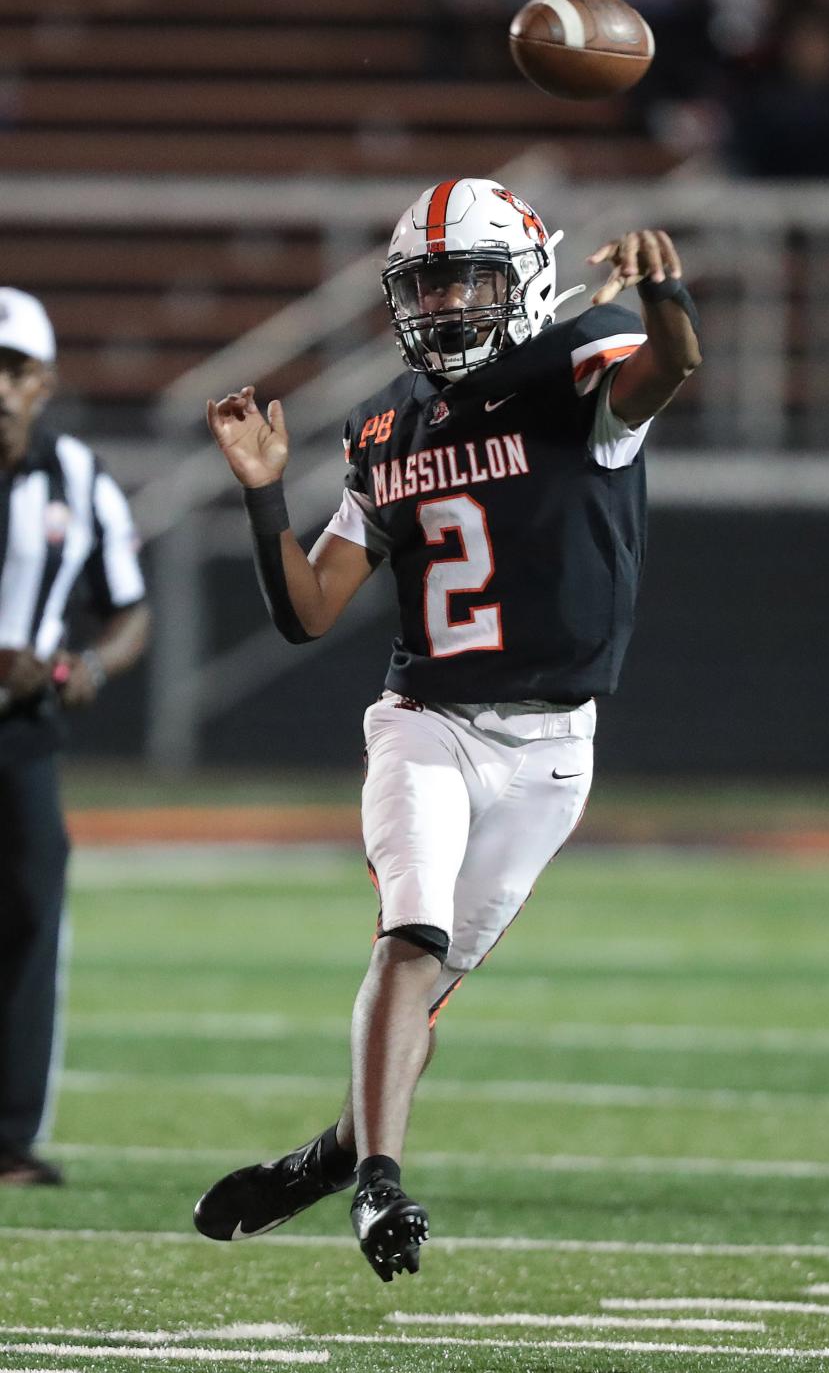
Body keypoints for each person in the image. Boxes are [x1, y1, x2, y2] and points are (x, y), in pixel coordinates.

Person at [193, 179, 702, 1279]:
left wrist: (665, 299)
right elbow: (308, 610)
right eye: (425, 285)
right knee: (409, 939)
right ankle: (380, 1185)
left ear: (522, 278)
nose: (445, 306)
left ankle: (336, 1149)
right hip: (424, 717)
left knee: (428, 984)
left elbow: (672, 367)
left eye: (466, 278)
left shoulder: (579, 371)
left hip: (553, 749)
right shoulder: (387, 422)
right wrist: (263, 496)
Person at [0, 288, 150, 1186]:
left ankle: (9, 1137)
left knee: (27, 924)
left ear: (44, 381)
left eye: (12, 369)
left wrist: (85, 669)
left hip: (24, 732)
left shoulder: (78, 477)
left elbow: (130, 609)